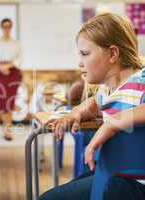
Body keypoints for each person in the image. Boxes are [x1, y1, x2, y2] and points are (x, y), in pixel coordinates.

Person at [39, 13, 145, 200]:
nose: (80, 62)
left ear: (113, 54)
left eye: (85, 54)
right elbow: (94, 104)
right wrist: (75, 113)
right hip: (113, 174)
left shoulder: (140, 80)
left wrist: (112, 123)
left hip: (135, 184)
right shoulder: (107, 90)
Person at [0, 18, 23, 140]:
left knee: (10, 100)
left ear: (11, 27)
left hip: (13, 72)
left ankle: (8, 129)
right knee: (2, 100)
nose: (6, 28)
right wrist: (0, 66)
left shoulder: (16, 43)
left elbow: (20, 58)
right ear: (1, 27)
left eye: (9, 26)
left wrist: (8, 66)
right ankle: (6, 127)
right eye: (4, 26)